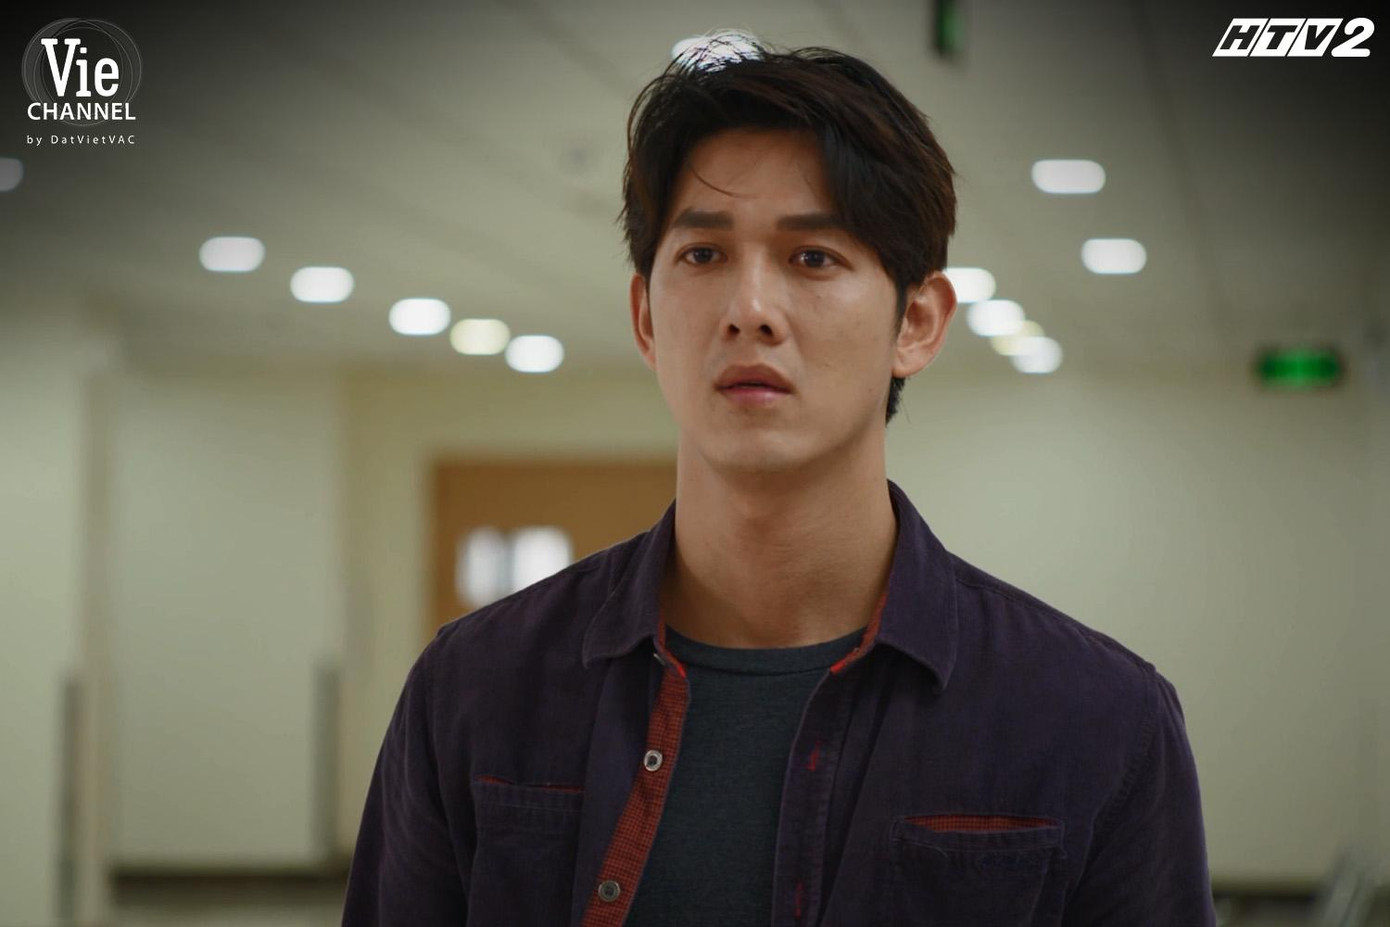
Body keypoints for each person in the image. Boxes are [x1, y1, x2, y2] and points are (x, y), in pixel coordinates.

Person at [342, 36, 1216, 927]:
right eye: (703, 255)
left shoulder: (1094, 718)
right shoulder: (476, 688)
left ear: (916, 321)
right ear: (646, 318)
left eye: (812, 258)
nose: (749, 309)